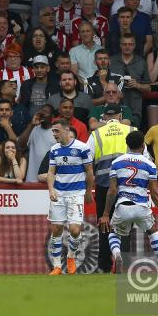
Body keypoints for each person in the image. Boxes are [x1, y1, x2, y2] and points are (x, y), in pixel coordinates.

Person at [99, 130, 158, 273]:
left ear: (127, 145)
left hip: (123, 205)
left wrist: (105, 214)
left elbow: (111, 190)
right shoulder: (150, 165)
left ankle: (117, 254)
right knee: (153, 231)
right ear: (143, 146)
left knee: (114, 232)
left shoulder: (116, 163)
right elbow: (154, 193)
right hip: (141, 206)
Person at [87, 103, 138, 273]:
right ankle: (124, 260)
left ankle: (104, 266)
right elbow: (145, 158)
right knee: (126, 225)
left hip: (104, 185)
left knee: (104, 224)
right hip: (128, 186)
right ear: (120, 116)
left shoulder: (96, 134)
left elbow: (87, 160)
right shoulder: (132, 131)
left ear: (104, 118)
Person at [47, 118, 94, 275]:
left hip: (76, 193)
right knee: (56, 228)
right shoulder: (54, 149)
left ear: (67, 130)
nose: (54, 134)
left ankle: (71, 256)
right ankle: (57, 266)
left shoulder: (82, 148)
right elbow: (51, 172)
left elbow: (89, 171)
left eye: (57, 130)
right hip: (59, 193)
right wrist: (51, 189)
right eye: (53, 131)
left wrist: (88, 192)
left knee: (74, 230)